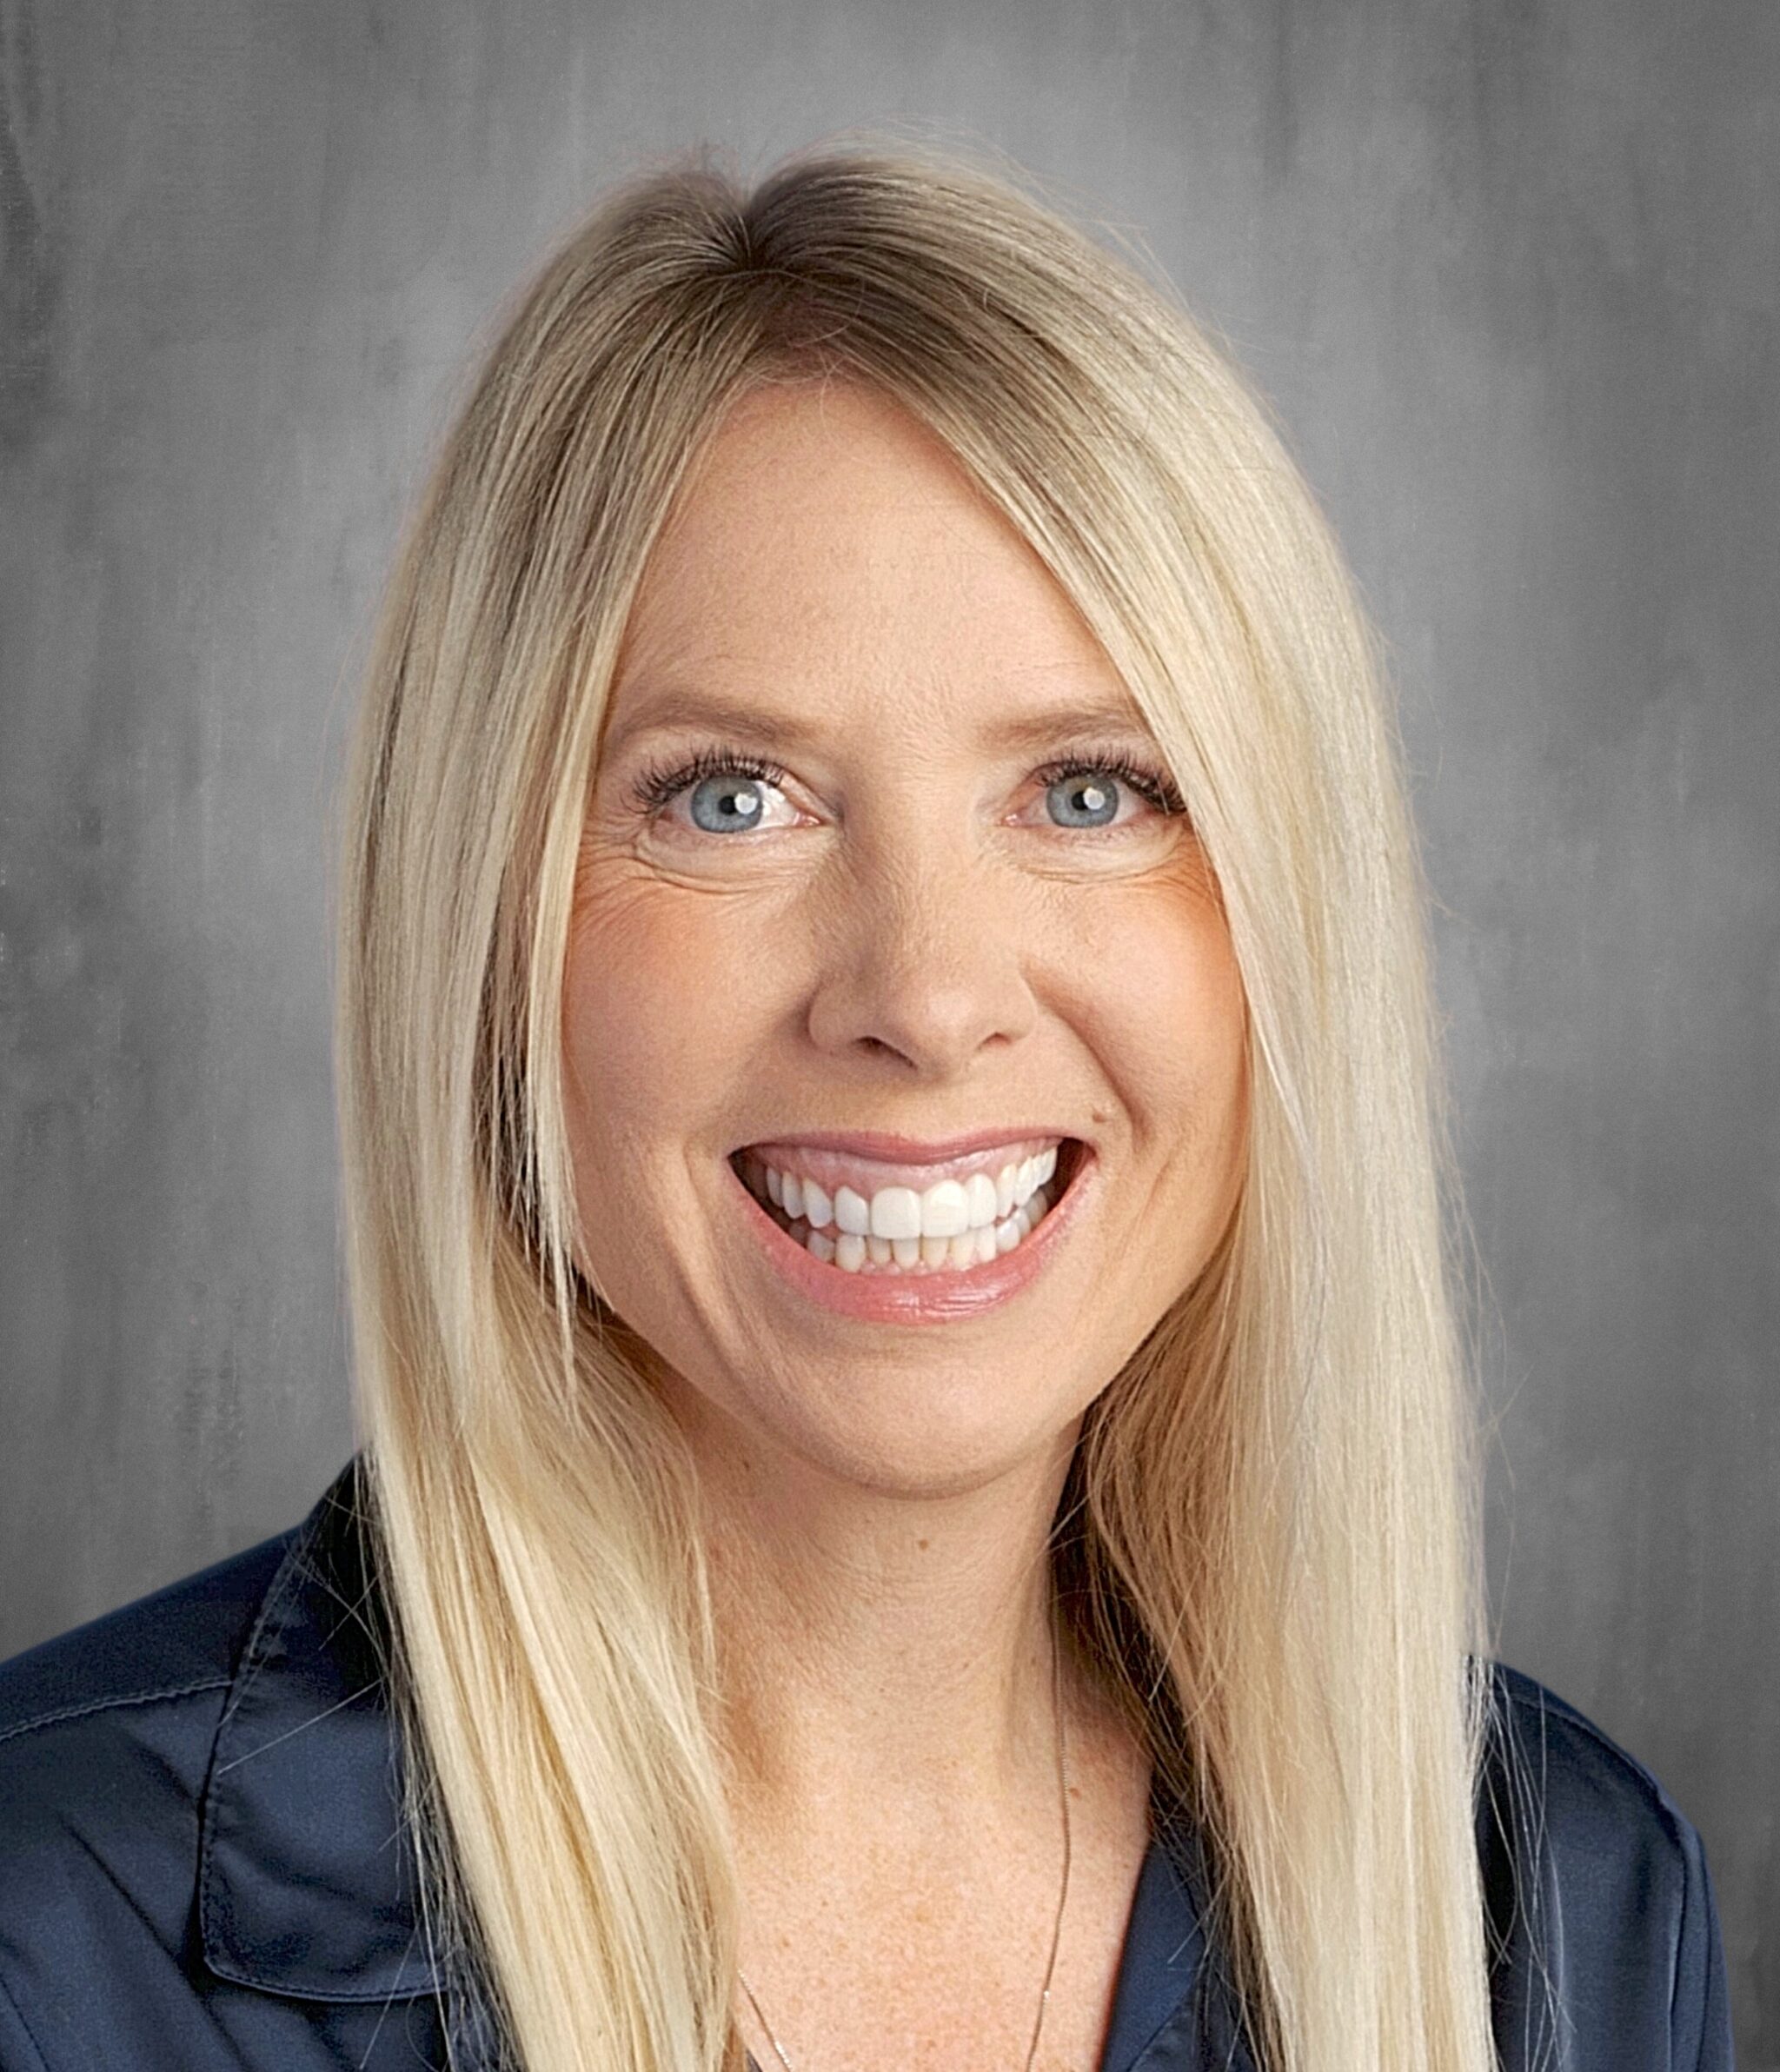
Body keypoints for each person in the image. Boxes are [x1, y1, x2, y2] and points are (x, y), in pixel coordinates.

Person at [0, 147, 1732, 2072]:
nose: (921, 995)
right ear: (478, 940)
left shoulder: (1557, 1906)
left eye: (1087, 791)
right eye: (729, 796)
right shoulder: (50, 1938)